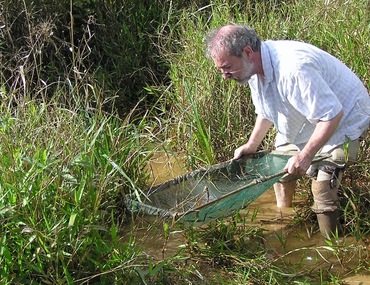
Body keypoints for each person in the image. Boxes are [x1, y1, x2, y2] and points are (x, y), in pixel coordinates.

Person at [204, 24, 370, 237]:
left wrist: (306, 156)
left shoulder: (294, 68)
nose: (224, 75)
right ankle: (285, 223)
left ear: (247, 52)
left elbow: (332, 115)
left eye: (227, 67)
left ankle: (333, 247)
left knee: (322, 188)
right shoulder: (253, 68)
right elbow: (266, 111)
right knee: (279, 170)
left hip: (344, 121)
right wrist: (252, 144)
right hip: (307, 118)